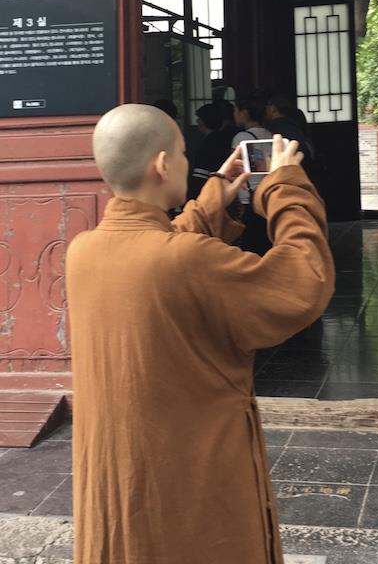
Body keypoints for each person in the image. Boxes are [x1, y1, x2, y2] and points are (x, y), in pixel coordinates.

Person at [66, 104, 335, 564]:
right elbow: (302, 281)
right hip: (188, 473)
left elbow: (154, 247)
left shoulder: (83, 251)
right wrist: (285, 187)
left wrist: (215, 200)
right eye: (183, 154)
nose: (189, 163)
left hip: (118, 477)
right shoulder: (187, 261)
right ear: (163, 165)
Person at [232, 96, 275, 254]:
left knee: (250, 247)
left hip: (248, 199)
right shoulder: (271, 135)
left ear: (244, 113)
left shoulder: (241, 138)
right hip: (268, 197)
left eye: (236, 110)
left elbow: (236, 170)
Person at [187, 102, 233, 200]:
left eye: (199, 118)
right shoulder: (226, 139)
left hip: (209, 190)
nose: (197, 120)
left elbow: (200, 176)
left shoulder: (207, 144)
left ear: (204, 121)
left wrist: (191, 197)